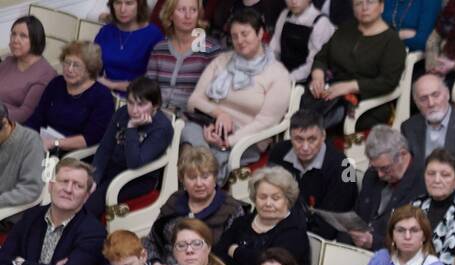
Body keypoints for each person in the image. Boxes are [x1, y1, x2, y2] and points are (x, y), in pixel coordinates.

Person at [182, 9, 291, 178]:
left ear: (260, 33)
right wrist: (219, 114)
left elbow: (266, 122)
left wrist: (228, 141)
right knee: (186, 133)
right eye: (234, 36)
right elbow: (194, 100)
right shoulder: (221, 60)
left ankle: (202, 188)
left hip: (246, 139)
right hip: (209, 128)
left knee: (201, 164)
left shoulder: (278, 74)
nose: (239, 40)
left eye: (245, 34)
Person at [0, 158, 107, 265]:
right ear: (51, 185)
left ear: (86, 197)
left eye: (78, 186)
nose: (68, 189)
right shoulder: (31, 217)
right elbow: (3, 260)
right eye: (64, 181)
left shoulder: (94, 233)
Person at [305, 0, 406, 130]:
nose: (364, 8)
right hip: (330, 93)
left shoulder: (391, 41)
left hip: (367, 103)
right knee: (303, 111)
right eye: (358, 3)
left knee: (311, 124)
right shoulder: (346, 29)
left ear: (381, 7)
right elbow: (322, 57)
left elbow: (388, 82)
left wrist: (350, 86)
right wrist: (317, 77)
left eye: (370, 2)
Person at [89, 75, 172, 219]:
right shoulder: (122, 113)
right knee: (79, 189)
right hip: (113, 168)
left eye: (141, 104)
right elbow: (105, 148)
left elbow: (135, 163)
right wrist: (94, 178)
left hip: (138, 179)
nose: (134, 110)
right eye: (131, 103)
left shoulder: (161, 128)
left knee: (91, 205)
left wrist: (132, 127)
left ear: (155, 105)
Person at [145, 145, 244, 265]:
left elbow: (237, 254)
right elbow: (152, 240)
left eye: (205, 176)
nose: (199, 183)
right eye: (192, 177)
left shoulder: (231, 208)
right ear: (182, 180)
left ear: (215, 177)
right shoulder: (174, 201)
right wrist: (155, 263)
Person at [217, 165, 312, 265]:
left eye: (275, 198)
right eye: (262, 197)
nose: (268, 203)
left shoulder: (294, 232)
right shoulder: (242, 222)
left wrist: (235, 251)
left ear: (287, 200)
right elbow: (219, 253)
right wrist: (250, 262)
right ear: (254, 198)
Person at [269, 109, 360, 234]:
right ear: (290, 136)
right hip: (280, 222)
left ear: (323, 136)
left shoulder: (344, 167)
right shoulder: (278, 152)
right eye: (299, 139)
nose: (305, 147)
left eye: (312, 140)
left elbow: (334, 221)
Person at [401, 73, 455, 198]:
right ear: (416, 103)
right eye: (423, 99)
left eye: (435, 95)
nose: (431, 103)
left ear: (447, 94)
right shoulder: (409, 127)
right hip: (417, 197)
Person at [24, 41, 115, 155]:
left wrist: (55, 143)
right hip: (42, 144)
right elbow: (37, 117)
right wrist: (28, 135)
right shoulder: (56, 83)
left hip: (74, 155)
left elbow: (90, 138)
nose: (69, 69)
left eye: (76, 65)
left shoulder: (102, 96)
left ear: (90, 69)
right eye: (67, 63)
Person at [347, 125, 426, 249]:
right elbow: (359, 217)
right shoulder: (372, 175)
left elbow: (417, 243)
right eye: (375, 168)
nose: (380, 174)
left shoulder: (423, 183)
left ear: (403, 154)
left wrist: (374, 242)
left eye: (385, 168)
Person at [146, 0, 223, 114]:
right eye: (182, 10)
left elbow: (215, 95)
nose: (188, 16)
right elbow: (148, 88)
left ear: (199, 15)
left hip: (191, 117)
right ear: (171, 15)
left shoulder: (210, 50)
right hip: (157, 114)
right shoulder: (160, 49)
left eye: (193, 10)